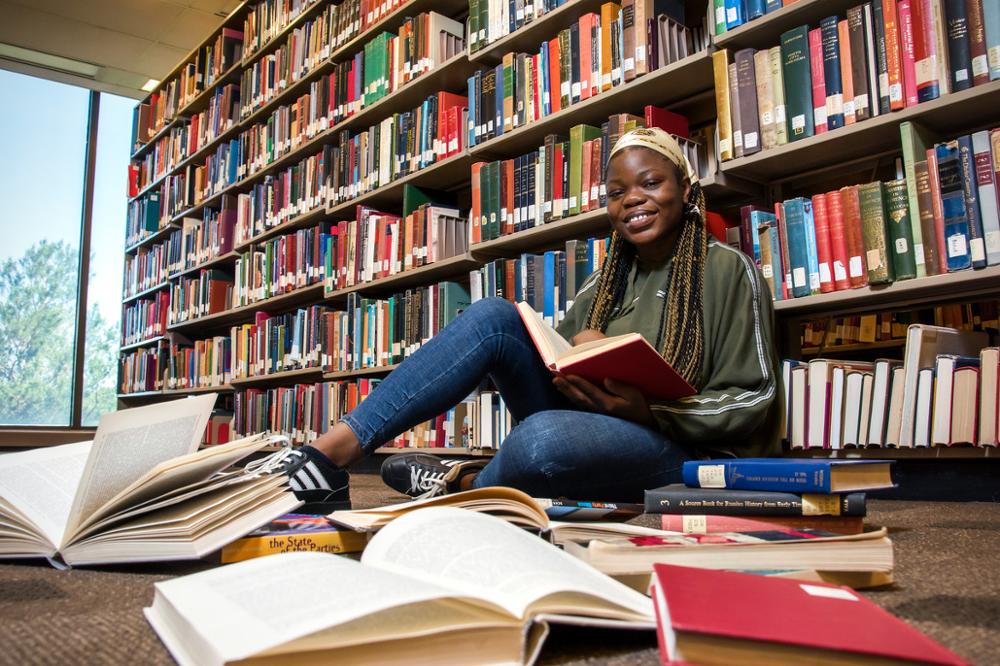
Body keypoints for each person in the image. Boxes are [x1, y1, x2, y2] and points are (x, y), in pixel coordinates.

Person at [271, 127, 783, 508]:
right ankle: (327, 456)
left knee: (541, 441)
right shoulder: (600, 286)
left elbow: (754, 397)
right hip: (597, 428)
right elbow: (555, 373)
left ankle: (465, 484)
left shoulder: (728, 270)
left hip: (683, 448)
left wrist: (648, 410)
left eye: (650, 183)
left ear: (688, 192)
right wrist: (574, 359)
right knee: (494, 315)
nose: (632, 200)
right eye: (616, 192)